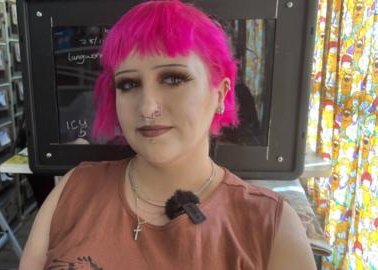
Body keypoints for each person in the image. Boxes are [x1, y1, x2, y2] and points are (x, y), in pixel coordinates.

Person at [20, 1, 316, 269]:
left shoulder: (270, 227)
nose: (147, 107)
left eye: (173, 78)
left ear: (220, 95)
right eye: (128, 84)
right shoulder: (74, 190)